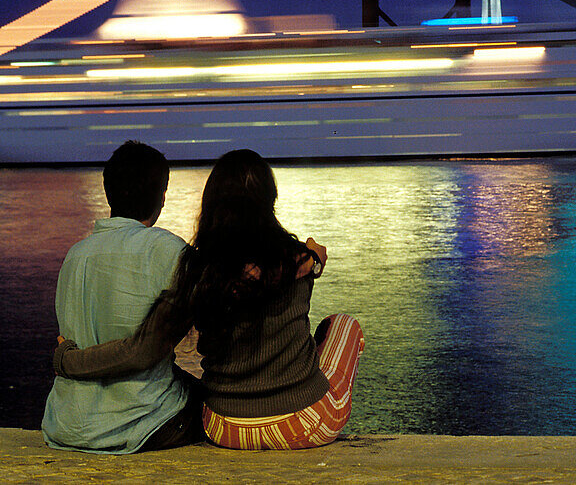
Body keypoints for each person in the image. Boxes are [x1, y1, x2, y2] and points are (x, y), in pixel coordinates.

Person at [53, 149, 365, 450]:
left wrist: (67, 358)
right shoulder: (294, 261)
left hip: (221, 426)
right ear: (270, 200)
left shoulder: (197, 270)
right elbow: (142, 352)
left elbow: (145, 347)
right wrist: (310, 259)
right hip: (300, 423)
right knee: (343, 326)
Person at [42, 140, 201, 454]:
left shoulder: (75, 257)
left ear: (108, 192)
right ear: (162, 196)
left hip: (67, 425)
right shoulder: (169, 251)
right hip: (143, 425)